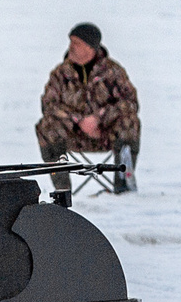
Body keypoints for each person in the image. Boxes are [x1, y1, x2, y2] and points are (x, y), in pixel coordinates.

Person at [36, 23, 140, 184]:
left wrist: (99, 118)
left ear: (90, 47)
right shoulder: (60, 73)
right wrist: (79, 120)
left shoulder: (113, 72)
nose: (71, 47)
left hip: (106, 136)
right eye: (71, 42)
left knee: (130, 122)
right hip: (72, 136)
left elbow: (131, 103)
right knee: (46, 126)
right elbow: (48, 105)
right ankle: (62, 190)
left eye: (76, 43)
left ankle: (124, 184)